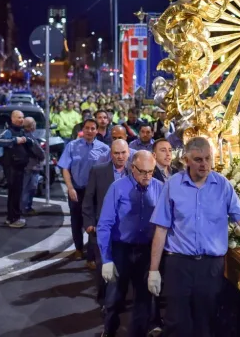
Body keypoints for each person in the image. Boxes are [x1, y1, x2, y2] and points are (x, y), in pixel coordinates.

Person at [148, 137, 240, 336]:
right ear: (186, 160)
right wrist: (153, 270)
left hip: (210, 267)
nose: (204, 164)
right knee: (176, 323)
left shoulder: (222, 185)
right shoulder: (173, 185)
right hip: (178, 265)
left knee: (206, 323)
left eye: (208, 158)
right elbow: (161, 229)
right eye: (198, 159)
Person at [97, 151, 163, 337]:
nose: (147, 176)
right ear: (132, 168)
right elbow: (104, 224)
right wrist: (106, 259)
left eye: (151, 171)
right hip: (121, 249)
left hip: (146, 251)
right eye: (142, 171)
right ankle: (109, 331)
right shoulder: (118, 188)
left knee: (144, 299)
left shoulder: (160, 188)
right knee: (114, 298)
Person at [83, 139, 132, 302]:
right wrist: (89, 223)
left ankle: (118, 301)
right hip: (102, 228)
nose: (120, 156)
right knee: (103, 266)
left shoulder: (134, 172)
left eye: (123, 153)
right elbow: (88, 198)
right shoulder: (98, 171)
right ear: (111, 154)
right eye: (116, 153)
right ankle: (104, 301)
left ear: (128, 153)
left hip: (126, 231)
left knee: (123, 268)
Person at [58, 119, 110, 260]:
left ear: (97, 130)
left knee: (93, 223)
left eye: (93, 128)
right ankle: (79, 249)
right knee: (76, 221)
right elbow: (65, 168)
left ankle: (92, 257)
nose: (89, 131)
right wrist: (70, 188)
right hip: (77, 190)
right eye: (87, 128)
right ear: (83, 130)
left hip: (94, 193)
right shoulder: (72, 146)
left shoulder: (104, 149)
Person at [0, 110, 33, 228]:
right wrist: (14, 141)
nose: (21, 119)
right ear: (12, 119)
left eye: (22, 117)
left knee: (16, 193)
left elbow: (31, 142)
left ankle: (12, 217)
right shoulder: (9, 131)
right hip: (12, 167)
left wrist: (26, 140)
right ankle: (14, 218)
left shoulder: (22, 131)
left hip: (19, 166)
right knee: (14, 193)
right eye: (18, 117)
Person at [21, 117, 45, 216]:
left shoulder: (23, 134)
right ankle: (25, 208)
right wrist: (43, 156)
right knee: (28, 188)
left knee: (27, 188)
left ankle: (25, 207)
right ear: (31, 126)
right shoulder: (29, 137)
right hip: (31, 166)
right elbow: (38, 150)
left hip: (27, 165)